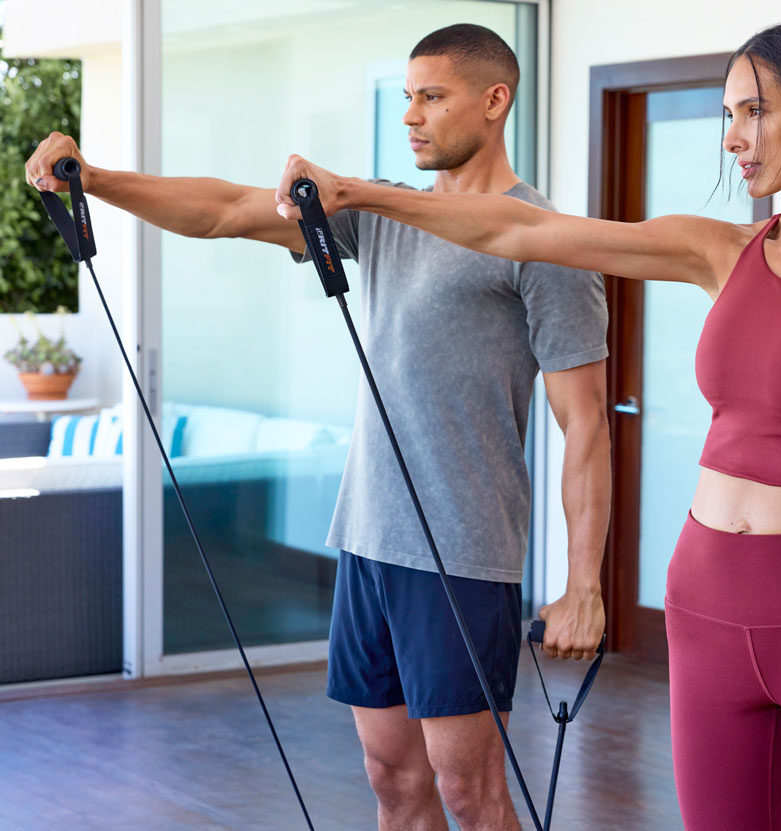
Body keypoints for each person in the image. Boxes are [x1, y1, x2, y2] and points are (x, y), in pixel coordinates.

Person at [276, 20, 781, 831]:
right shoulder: (721, 252)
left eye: (752, 112)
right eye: (726, 114)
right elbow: (520, 229)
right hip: (702, 602)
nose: (732, 137)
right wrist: (358, 193)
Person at [27, 24, 611, 831]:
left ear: (494, 99)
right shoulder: (383, 213)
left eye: (431, 96)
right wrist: (95, 179)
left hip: (463, 551)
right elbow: (228, 209)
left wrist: (583, 586)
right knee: (391, 782)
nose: (410, 114)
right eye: (407, 96)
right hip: (369, 536)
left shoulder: (546, 242)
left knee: (471, 793)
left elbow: (584, 425)